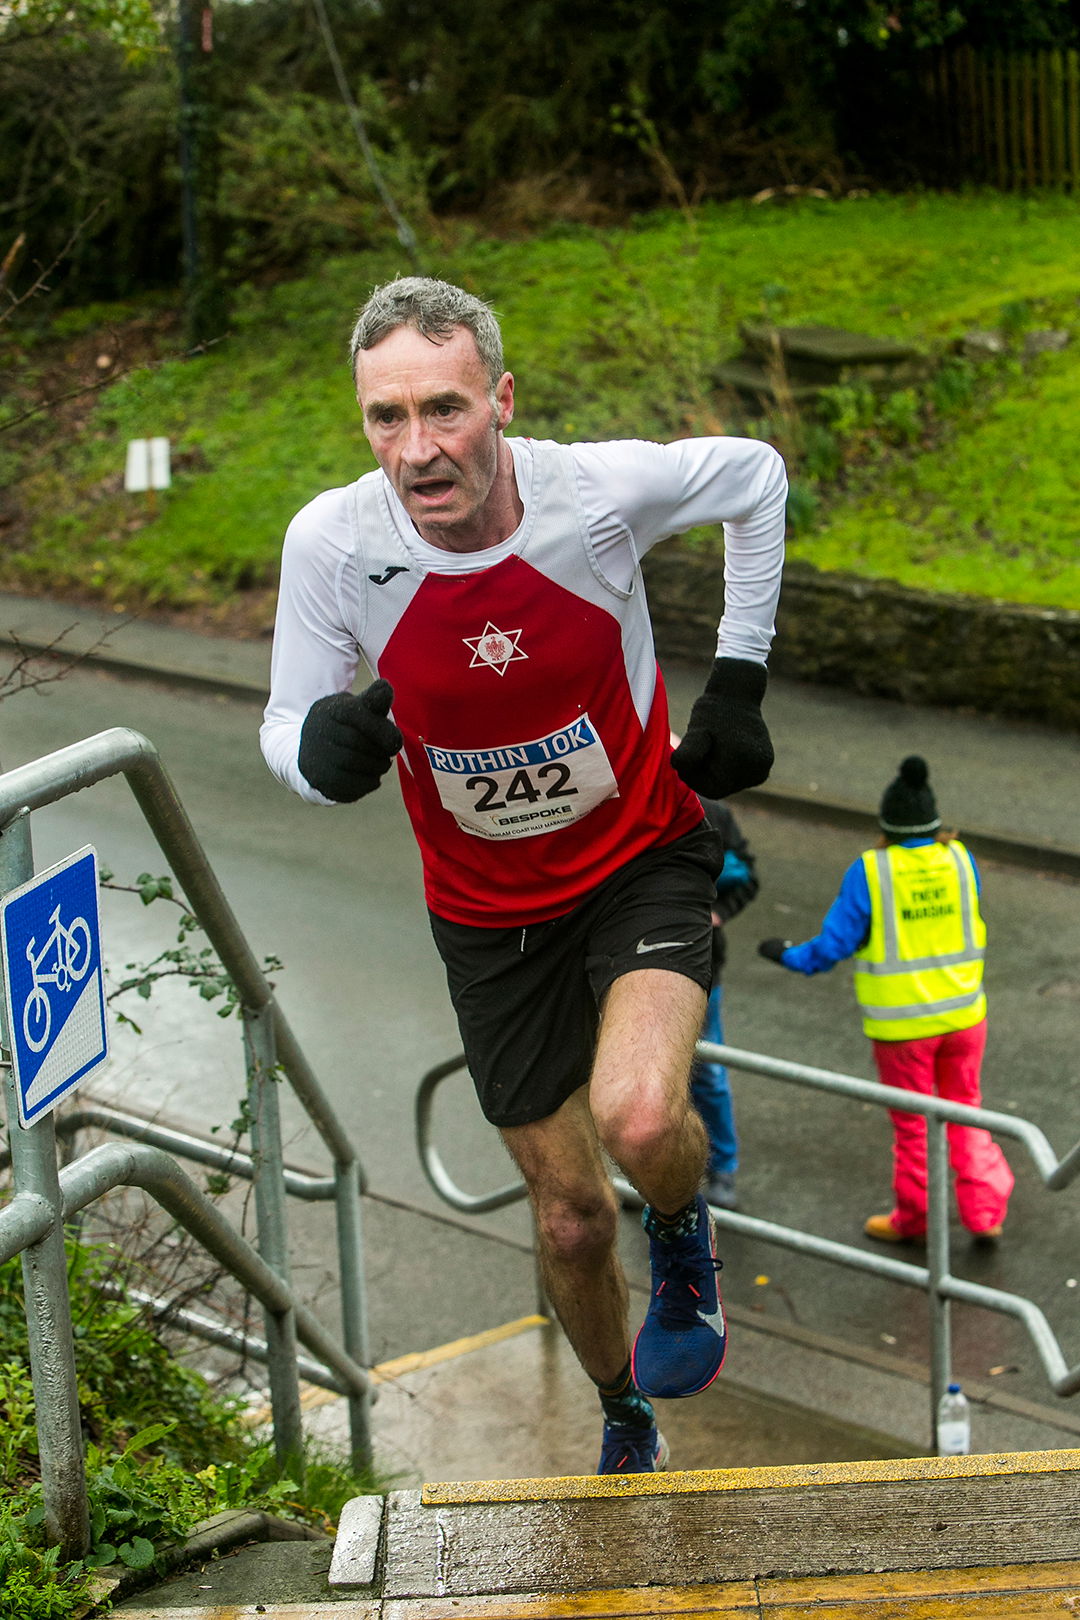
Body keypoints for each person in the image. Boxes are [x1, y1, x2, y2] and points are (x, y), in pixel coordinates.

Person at [260, 275, 787, 1474]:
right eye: (385, 419)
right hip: (488, 916)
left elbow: (755, 477)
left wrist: (742, 674)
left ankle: (685, 1226)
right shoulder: (334, 542)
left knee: (640, 1116)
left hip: (641, 857)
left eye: (442, 410)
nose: (417, 449)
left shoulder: (592, 494)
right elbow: (284, 722)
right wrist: (315, 759)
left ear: (500, 399)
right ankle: (623, 1412)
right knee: (567, 1217)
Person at [758, 755, 1013, 1244]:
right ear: (935, 822)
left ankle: (913, 1221)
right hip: (964, 1016)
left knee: (915, 1129)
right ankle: (985, 1214)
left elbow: (831, 947)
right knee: (966, 1111)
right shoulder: (961, 859)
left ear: (887, 825)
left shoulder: (871, 870)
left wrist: (788, 955)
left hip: (903, 1029)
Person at [693, 796, 759, 1211]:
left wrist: (718, 913)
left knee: (706, 1071)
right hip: (630, 969)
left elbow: (747, 874)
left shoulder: (711, 813)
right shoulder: (625, 804)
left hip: (701, 967)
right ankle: (650, 1168)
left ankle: (723, 1167)